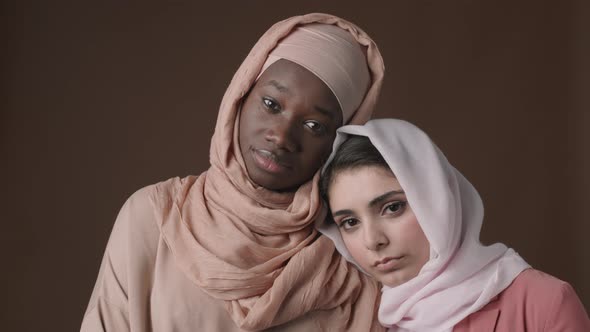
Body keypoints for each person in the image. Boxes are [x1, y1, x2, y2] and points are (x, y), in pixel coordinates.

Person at [81, 13, 386, 331]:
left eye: (314, 126)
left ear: (338, 142)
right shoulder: (153, 217)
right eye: (271, 104)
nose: (281, 137)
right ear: (239, 97)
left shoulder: (350, 260)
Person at [318, 119, 590, 331]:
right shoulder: (353, 320)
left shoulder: (543, 303)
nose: (372, 240)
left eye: (393, 207)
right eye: (350, 222)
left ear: (438, 200)